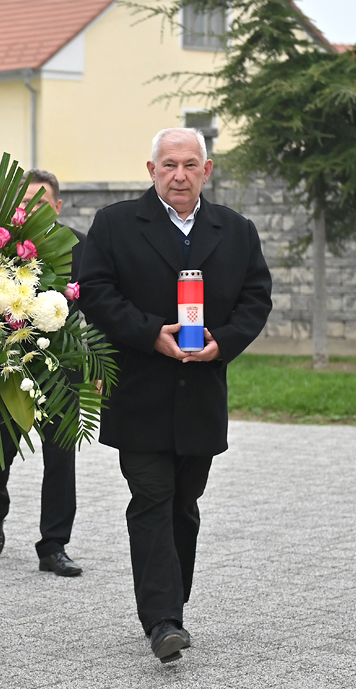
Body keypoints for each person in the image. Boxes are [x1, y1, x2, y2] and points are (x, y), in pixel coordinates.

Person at [77, 128, 272, 665]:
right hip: (140, 393)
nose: (179, 174)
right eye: (169, 165)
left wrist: (222, 344)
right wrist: (148, 333)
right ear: (151, 169)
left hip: (201, 394)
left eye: (190, 165)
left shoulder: (235, 230)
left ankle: (171, 602)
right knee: (152, 499)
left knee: (184, 505)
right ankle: (163, 619)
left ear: (207, 171)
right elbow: (93, 291)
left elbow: (256, 299)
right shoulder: (115, 224)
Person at [0, 169, 85, 578]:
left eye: (41, 205)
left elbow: (94, 303)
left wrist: (92, 361)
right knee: (0, 450)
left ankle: (53, 544)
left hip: (62, 367)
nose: (32, 212)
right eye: (25, 205)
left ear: (57, 207)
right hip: (10, 364)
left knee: (61, 457)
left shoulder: (80, 246)